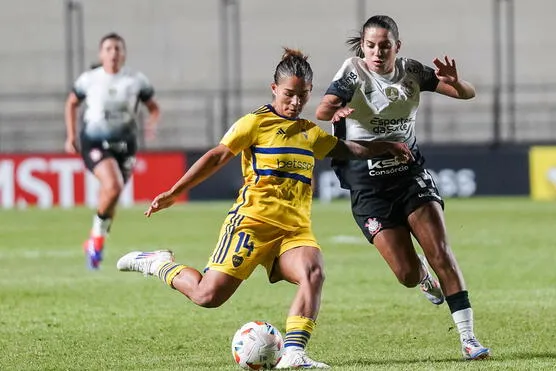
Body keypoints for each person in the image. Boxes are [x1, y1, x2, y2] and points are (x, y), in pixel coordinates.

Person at [116, 48, 414, 369]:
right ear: (274, 89)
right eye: (289, 94)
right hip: (251, 224)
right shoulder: (255, 123)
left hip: (293, 231)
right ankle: (159, 264)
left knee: (313, 271)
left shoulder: (309, 133)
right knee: (207, 296)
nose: (296, 102)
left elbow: (348, 149)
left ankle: (294, 353)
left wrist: (386, 146)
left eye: (302, 96)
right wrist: (176, 191)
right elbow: (217, 155)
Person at [315, 15, 490, 360]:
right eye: (370, 45)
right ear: (362, 46)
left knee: (441, 251)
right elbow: (323, 109)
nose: (377, 52)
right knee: (406, 274)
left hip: (409, 173)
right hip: (367, 184)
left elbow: (466, 94)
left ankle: (469, 338)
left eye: (384, 45)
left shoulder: (411, 71)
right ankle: (422, 275)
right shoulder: (353, 71)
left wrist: (457, 82)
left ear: (397, 45)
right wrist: (337, 112)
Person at [64, 32, 160, 270]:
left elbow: (153, 107)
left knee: (111, 195)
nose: (113, 53)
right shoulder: (89, 79)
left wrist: (151, 124)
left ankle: (94, 241)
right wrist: (71, 135)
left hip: (126, 145)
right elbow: (72, 103)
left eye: (117, 48)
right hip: (94, 142)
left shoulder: (136, 80)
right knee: (113, 186)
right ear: (101, 54)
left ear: (123, 54)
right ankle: (97, 240)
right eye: (108, 49)